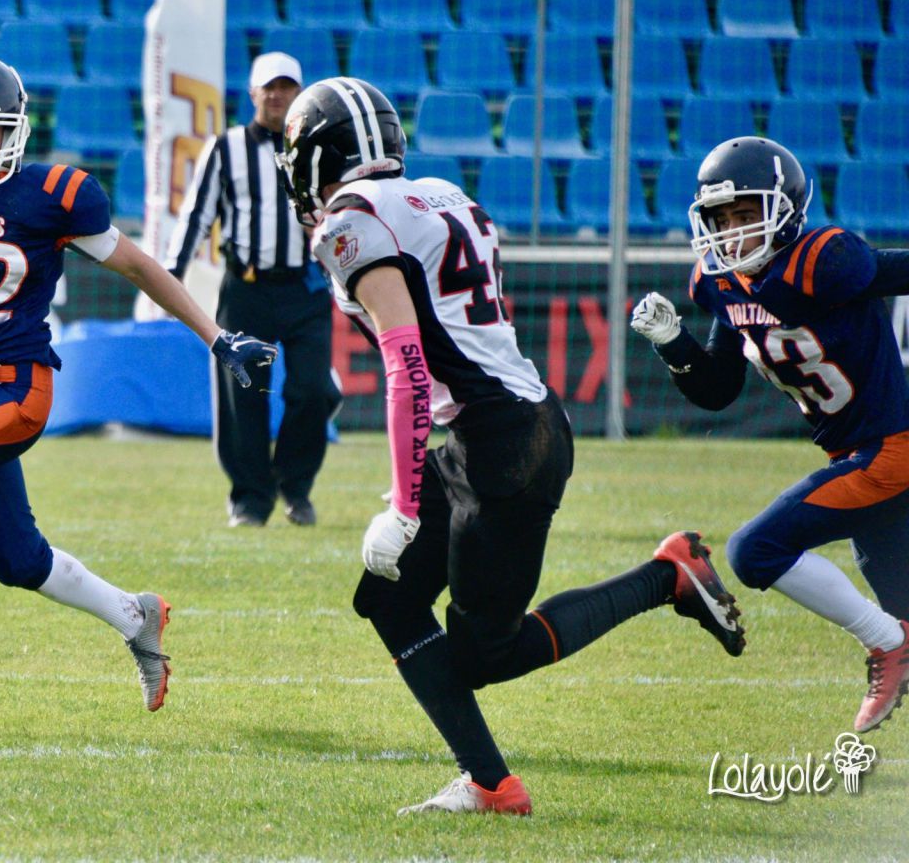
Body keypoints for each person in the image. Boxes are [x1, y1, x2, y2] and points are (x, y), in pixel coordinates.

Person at [276, 76, 746, 816]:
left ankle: (668, 577)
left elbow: (406, 361)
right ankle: (491, 783)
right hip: (490, 427)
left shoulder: (352, 220)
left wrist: (404, 503)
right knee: (390, 598)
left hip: (500, 446)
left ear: (317, 158)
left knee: (483, 655)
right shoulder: (438, 193)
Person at [0, 54, 276, 709]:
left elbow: (139, 267)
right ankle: (136, 616)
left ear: (15, 130)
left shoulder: (53, 195)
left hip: (15, 387)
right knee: (17, 561)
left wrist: (215, 336)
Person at [631, 135, 909, 734]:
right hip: (857, 453)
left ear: (784, 211)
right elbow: (716, 392)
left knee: (754, 551)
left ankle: (887, 644)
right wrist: (672, 342)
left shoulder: (824, 259)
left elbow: (896, 270)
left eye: (744, 215)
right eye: (719, 219)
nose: (730, 232)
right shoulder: (720, 282)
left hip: (891, 450)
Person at [165, 51, 341, 528]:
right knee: (244, 395)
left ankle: (294, 484)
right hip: (245, 287)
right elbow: (198, 214)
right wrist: (170, 275)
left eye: (287, 86)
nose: (278, 94)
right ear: (253, 92)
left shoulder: (323, 147)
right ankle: (250, 498)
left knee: (312, 390)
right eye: (270, 86)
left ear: (301, 93)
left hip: (306, 287)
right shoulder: (226, 148)